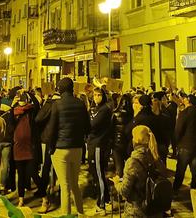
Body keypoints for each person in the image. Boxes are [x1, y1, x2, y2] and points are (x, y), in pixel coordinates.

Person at [49, 77, 90, 216]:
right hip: (77, 148)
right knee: (75, 184)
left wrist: (50, 146)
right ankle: (80, 213)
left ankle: (66, 215)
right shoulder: (80, 103)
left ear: (60, 89)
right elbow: (87, 127)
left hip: (60, 148)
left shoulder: (57, 104)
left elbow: (52, 128)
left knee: (65, 186)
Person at [110, 125, 165, 218]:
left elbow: (124, 191)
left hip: (137, 211)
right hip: (155, 210)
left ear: (135, 141)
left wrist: (116, 183)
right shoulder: (157, 158)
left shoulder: (132, 162)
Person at [10, 92, 41, 207]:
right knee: (21, 175)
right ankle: (21, 199)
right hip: (18, 148)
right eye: (20, 100)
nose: (22, 102)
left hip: (30, 148)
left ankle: (44, 197)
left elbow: (37, 104)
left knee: (33, 173)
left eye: (24, 99)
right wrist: (12, 106)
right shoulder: (14, 112)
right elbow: (11, 124)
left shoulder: (31, 111)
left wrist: (29, 92)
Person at [34, 89, 61, 213]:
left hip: (49, 139)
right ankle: (54, 189)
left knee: (46, 167)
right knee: (57, 168)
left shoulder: (50, 104)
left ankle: (46, 196)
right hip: (61, 140)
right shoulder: (64, 104)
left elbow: (38, 119)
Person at [173, 94, 196, 192]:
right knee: (195, 168)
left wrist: (176, 143)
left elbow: (178, 130)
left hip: (185, 145)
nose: (184, 99)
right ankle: (194, 186)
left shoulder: (184, 113)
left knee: (181, 169)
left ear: (189, 101)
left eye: (186, 98)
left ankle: (175, 189)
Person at [88, 87, 113, 215]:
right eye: (95, 94)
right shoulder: (94, 108)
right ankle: (107, 200)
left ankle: (101, 204)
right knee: (97, 174)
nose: (96, 97)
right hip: (92, 143)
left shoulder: (104, 110)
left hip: (98, 144)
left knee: (99, 175)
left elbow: (92, 124)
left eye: (99, 95)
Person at [112, 93, 134, 177]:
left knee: (119, 168)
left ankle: (119, 186)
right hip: (129, 144)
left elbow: (111, 129)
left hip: (117, 143)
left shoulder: (115, 114)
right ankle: (128, 186)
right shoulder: (133, 115)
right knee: (129, 168)